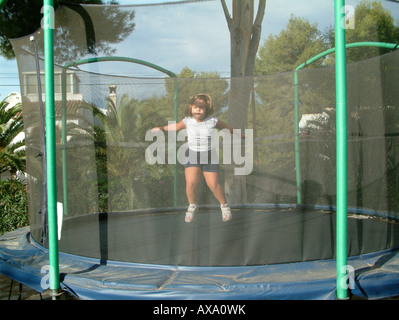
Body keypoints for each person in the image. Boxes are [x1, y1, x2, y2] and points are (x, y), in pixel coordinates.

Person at [152, 93, 235, 223]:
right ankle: (192, 206)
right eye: (196, 107)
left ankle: (224, 206)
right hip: (192, 155)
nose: (198, 109)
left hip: (209, 156)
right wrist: (161, 128)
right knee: (191, 184)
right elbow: (174, 127)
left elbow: (228, 129)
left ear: (207, 109)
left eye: (201, 107)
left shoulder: (213, 121)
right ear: (191, 108)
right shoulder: (187, 121)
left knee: (213, 184)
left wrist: (242, 135)